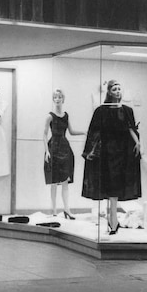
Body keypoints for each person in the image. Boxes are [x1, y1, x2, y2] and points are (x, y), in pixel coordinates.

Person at [81, 79, 141, 235]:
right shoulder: (101, 111)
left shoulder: (127, 110)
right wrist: (92, 151)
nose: (118, 91)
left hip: (122, 153)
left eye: (120, 88)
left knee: (116, 186)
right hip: (107, 154)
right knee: (110, 186)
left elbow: (131, 128)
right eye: (115, 89)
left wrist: (139, 144)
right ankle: (113, 219)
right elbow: (94, 132)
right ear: (109, 92)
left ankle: (112, 218)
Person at [44, 88, 86, 219]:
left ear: (63, 99)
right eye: (55, 97)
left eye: (59, 97)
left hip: (65, 148)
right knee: (53, 181)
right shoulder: (49, 116)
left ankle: (67, 209)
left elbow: (71, 131)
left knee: (65, 181)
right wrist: (46, 151)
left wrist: (84, 132)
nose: (57, 99)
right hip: (53, 147)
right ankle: (54, 210)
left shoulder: (66, 116)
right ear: (53, 99)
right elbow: (44, 134)